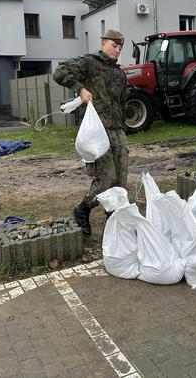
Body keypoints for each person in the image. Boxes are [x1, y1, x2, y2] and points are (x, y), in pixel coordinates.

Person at [53, 29, 128, 238]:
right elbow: (59, 72)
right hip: (98, 133)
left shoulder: (120, 73)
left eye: (120, 48)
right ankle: (83, 209)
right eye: (114, 45)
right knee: (106, 179)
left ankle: (114, 226)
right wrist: (80, 89)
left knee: (121, 181)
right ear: (103, 43)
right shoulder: (89, 63)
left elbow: (122, 103)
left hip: (117, 132)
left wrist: (123, 130)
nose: (117, 50)